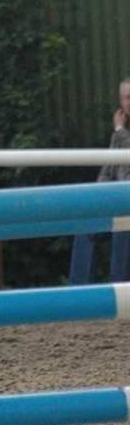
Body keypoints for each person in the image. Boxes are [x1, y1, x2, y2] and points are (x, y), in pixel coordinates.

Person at [68, 77, 130, 285]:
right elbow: (107, 169)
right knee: (86, 224)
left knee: (123, 224)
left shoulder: (120, 133)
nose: (129, 102)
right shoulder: (119, 135)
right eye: (126, 98)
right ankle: (78, 292)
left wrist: (120, 131)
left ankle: (119, 294)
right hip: (117, 201)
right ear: (121, 102)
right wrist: (97, 197)